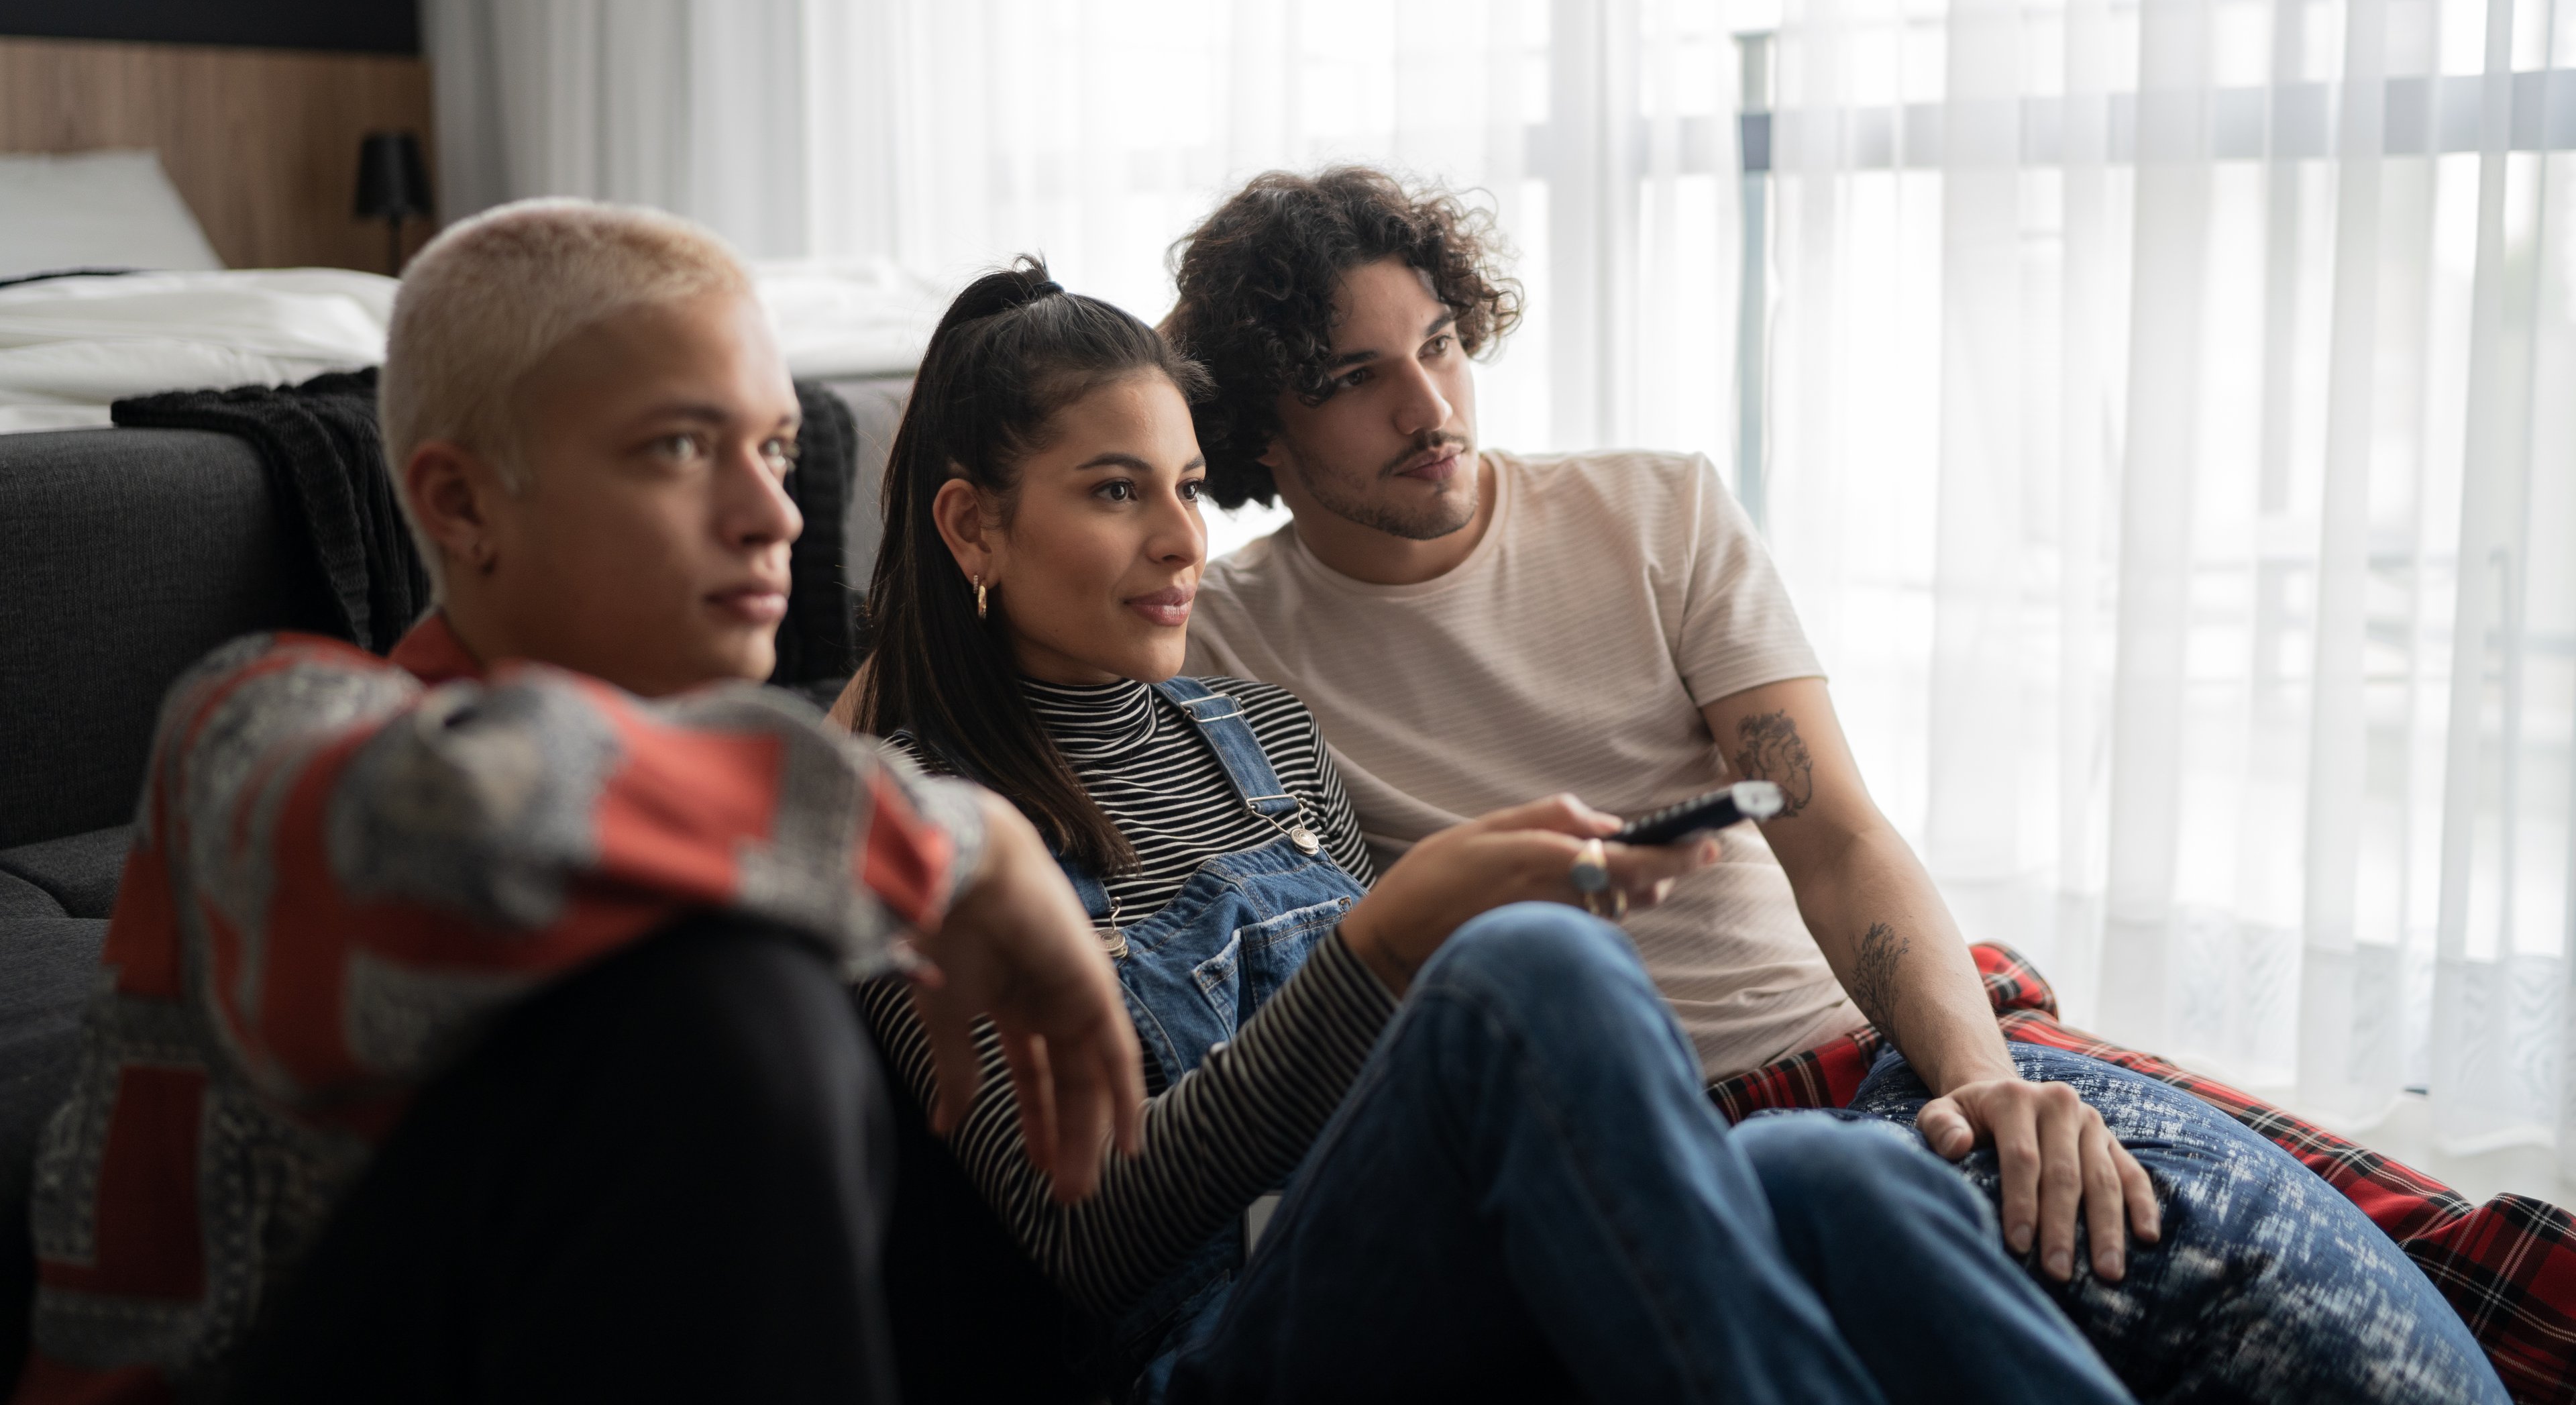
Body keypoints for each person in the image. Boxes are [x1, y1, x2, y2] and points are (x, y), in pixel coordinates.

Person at [1163, 165, 2510, 1404]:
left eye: (1442, 341)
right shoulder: (1216, 641)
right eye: (1356, 376)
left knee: (2371, 1311)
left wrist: (1978, 1079)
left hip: (1872, 1052)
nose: (1432, 405)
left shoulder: (1655, 511)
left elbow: (1838, 834)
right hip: (1624, 1140)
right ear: (1258, 431)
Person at [829, 256, 2135, 1405]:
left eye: (1183, 484)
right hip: (1212, 1348)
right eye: (1118, 491)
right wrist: (1396, 933)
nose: (1183, 538)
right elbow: (1092, 1232)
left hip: (1416, 1264)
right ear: (971, 523)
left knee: (1841, 1173)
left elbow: (1391, 1096)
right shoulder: (904, 824)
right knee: (1527, 967)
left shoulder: (1256, 730)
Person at [13, 201, 1143, 1405]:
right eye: (677, 448)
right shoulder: (255, 726)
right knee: (732, 995)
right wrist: (974, 841)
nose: (777, 514)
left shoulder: (725, 793)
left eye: (771, 447)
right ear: (459, 504)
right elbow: (471, 821)